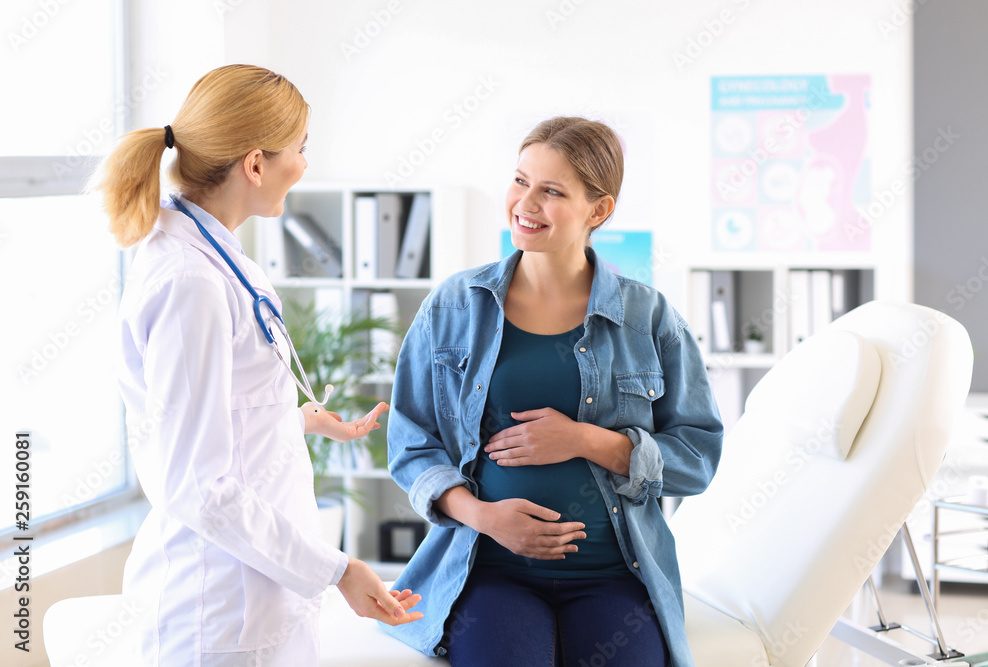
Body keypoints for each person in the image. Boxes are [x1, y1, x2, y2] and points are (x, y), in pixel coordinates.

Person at [93, 64, 422, 666]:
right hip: (217, 613)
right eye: (300, 149)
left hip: (259, 596)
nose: (304, 165)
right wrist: (340, 568)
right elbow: (199, 485)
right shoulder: (189, 279)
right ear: (254, 164)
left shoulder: (213, 248)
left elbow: (215, 422)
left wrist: (295, 419)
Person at [382, 116, 725, 666]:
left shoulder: (649, 318)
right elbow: (410, 442)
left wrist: (589, 440)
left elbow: (698, 458)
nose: (525, 203)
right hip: (492, 572)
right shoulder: (453, 306)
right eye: (520, 181)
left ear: (599, 210)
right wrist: (484, 516)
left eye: (551, 191)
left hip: (614, 577)